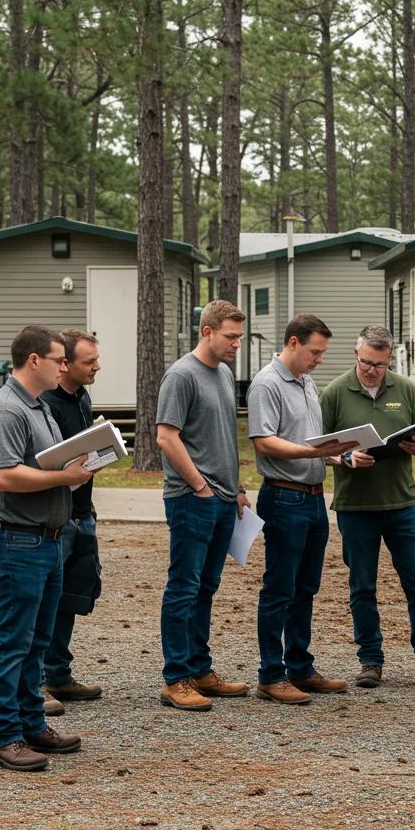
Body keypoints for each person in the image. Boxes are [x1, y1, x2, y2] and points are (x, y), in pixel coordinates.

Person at [319, 325, 415, 691]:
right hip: (355, 505)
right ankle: (370, 660)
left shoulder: (405, 388)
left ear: (389, 361)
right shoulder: (335, 393)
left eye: (379, 365)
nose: (372, 370)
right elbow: (317, 449)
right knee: (362, 586)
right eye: (367, 362)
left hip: (402, 503)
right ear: (356, 355)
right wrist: (345, 458)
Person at [0, 325, 92, 771]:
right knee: (12, 643)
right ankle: (4, 737)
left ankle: (30, 725)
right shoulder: (6, 411)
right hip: (15, 540)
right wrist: (66, 477)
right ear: (33, 361)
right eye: (59, 359)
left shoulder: (38, 407)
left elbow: (42, 463)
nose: (65, 366)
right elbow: (5, 477)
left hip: (46, 539)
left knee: (36, 642)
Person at [247, 313, 354, 704]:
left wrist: (336, 457)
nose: (319, 359)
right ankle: (270, 675)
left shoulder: (307, 383)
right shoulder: (267, 384)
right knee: (279, 588)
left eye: (322, 353)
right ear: (293, 343)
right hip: (284, 497)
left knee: (306, 587)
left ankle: (300, 667)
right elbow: (265, 442)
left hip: (312, 496)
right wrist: (315, 451)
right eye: (315, 351)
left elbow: (309, 442)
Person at [155, 300, 252, 711]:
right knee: (184, 588)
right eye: (231, 337)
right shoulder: (181, 376)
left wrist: (238, 486)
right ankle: (175, 678)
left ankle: (199, 668)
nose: (236, 345)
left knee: (206, 588)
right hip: (192, 499)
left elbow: (222, 436)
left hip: (224, 498)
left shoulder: (225, 374)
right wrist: (199, 486)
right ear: (207, 332)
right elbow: (166, 437)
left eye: (239, 338)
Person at [39, 330, 104, 714]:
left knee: (70, 600)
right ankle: (38, 683)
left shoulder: (81, 396)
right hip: (58, 518)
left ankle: (59, 675)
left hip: (83, 513)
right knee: (46, 602)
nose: (97, 366)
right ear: (65, 364)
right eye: (89, 361)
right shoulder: (45, 403)